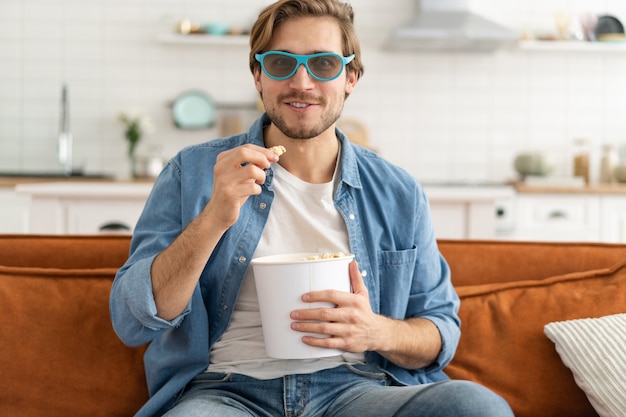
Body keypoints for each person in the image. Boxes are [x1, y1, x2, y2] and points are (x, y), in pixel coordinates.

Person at [110, 0, 514, 416]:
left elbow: (439, 333)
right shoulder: (192, 173)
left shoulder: (398, 192)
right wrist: (215, 216)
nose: (301, 83)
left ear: (350, 77)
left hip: (358, 392)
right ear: (258, 75)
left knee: (475, 405)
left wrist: (376, 331)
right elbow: (133, 321)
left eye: (322, 64)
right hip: (225, 392)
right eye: (282, 63)